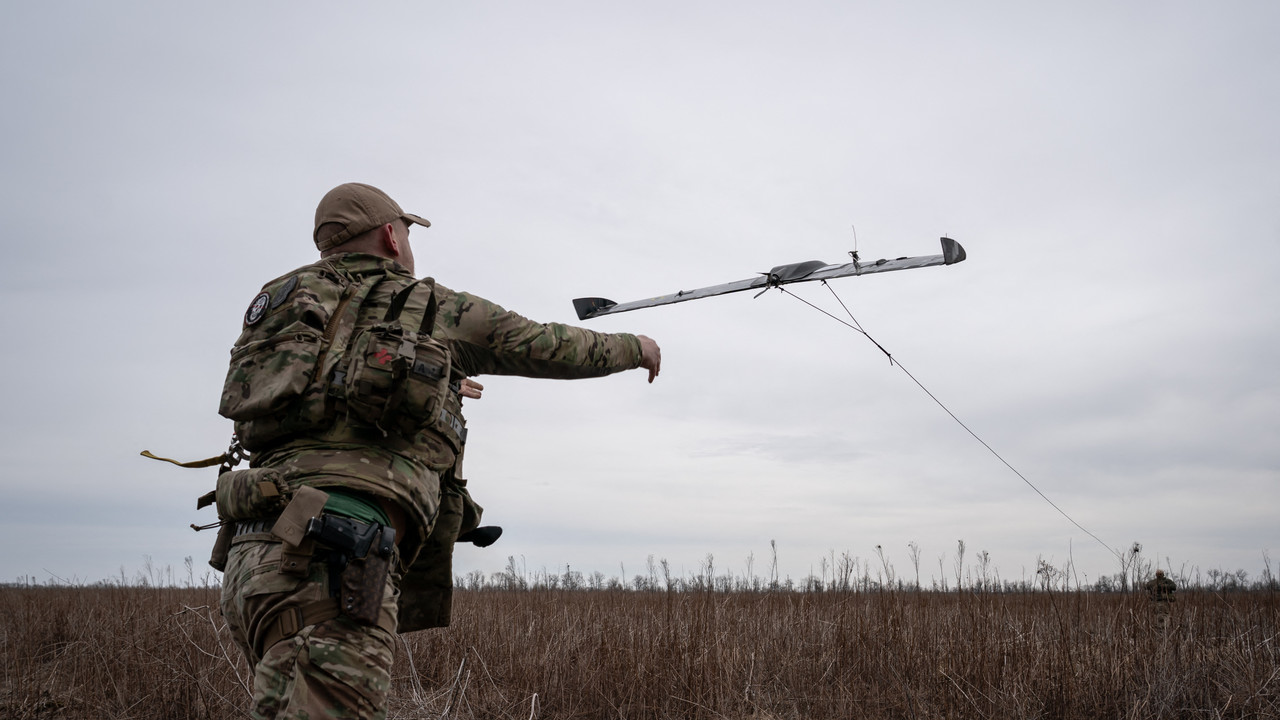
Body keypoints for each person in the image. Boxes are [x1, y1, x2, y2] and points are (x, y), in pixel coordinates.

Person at [214, 182, 661, 719]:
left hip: (249, 557)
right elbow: (544, 345)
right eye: (405, 231)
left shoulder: (287, 304)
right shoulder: (427, 305)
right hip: (331, 556)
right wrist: (637, 348)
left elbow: (332, 399)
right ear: (390, 235)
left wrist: (440, 383)